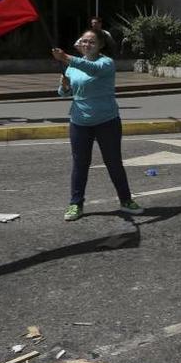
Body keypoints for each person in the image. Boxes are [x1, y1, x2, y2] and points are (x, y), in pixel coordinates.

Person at [51, 29, 142, 221]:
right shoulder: (72, 66)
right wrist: (64, 87)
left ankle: (126, 200)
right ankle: (76, 203)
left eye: (91, 42)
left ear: (100, 45)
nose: (86, 45)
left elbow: (92, 69)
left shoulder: (105, 63)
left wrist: (66, 57)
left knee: (114, 162)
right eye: (84, 41)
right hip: (79, 121)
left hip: (107, 121)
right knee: (80, 164)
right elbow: (64, 92)